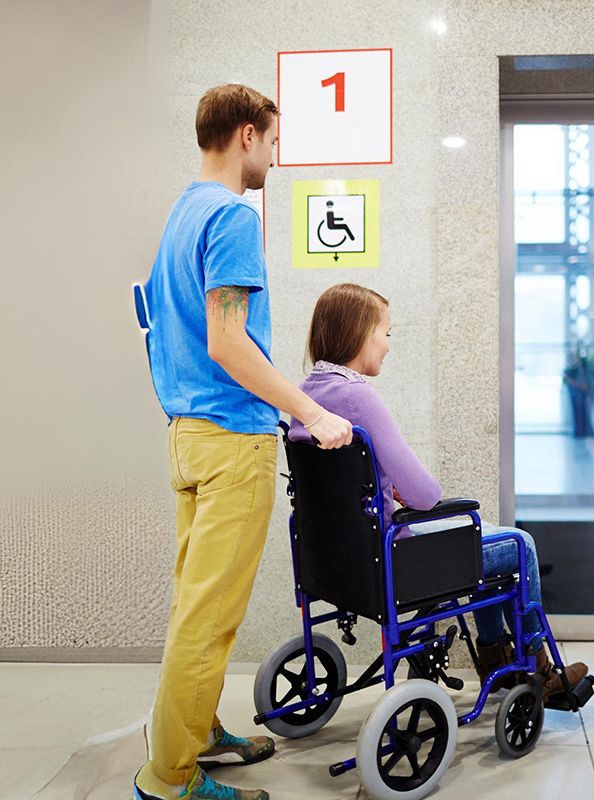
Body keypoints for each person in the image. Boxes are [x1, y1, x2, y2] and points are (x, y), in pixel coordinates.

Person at [134, 84, 354, 800]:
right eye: (275, 142)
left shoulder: (181, 213)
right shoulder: (231, 214)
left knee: (194, 605)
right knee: (210, 613)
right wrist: (310, 413)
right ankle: (169, 779)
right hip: (232, 438)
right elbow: (229, 342)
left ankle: (196, 734)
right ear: (247, 136)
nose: (276, 158)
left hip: (189, 434)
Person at [287, 283, 590, 699]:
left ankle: (494, 658)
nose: (388, 346)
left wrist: (384, 488)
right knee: (519, 544)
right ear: (360, 332)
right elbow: (427, 496)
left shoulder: (305, 394)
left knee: (485, 550)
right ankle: (536, 663)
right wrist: (405, 492)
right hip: (392, 556)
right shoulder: (357, 395)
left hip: (335, 562)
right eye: (386, 333)